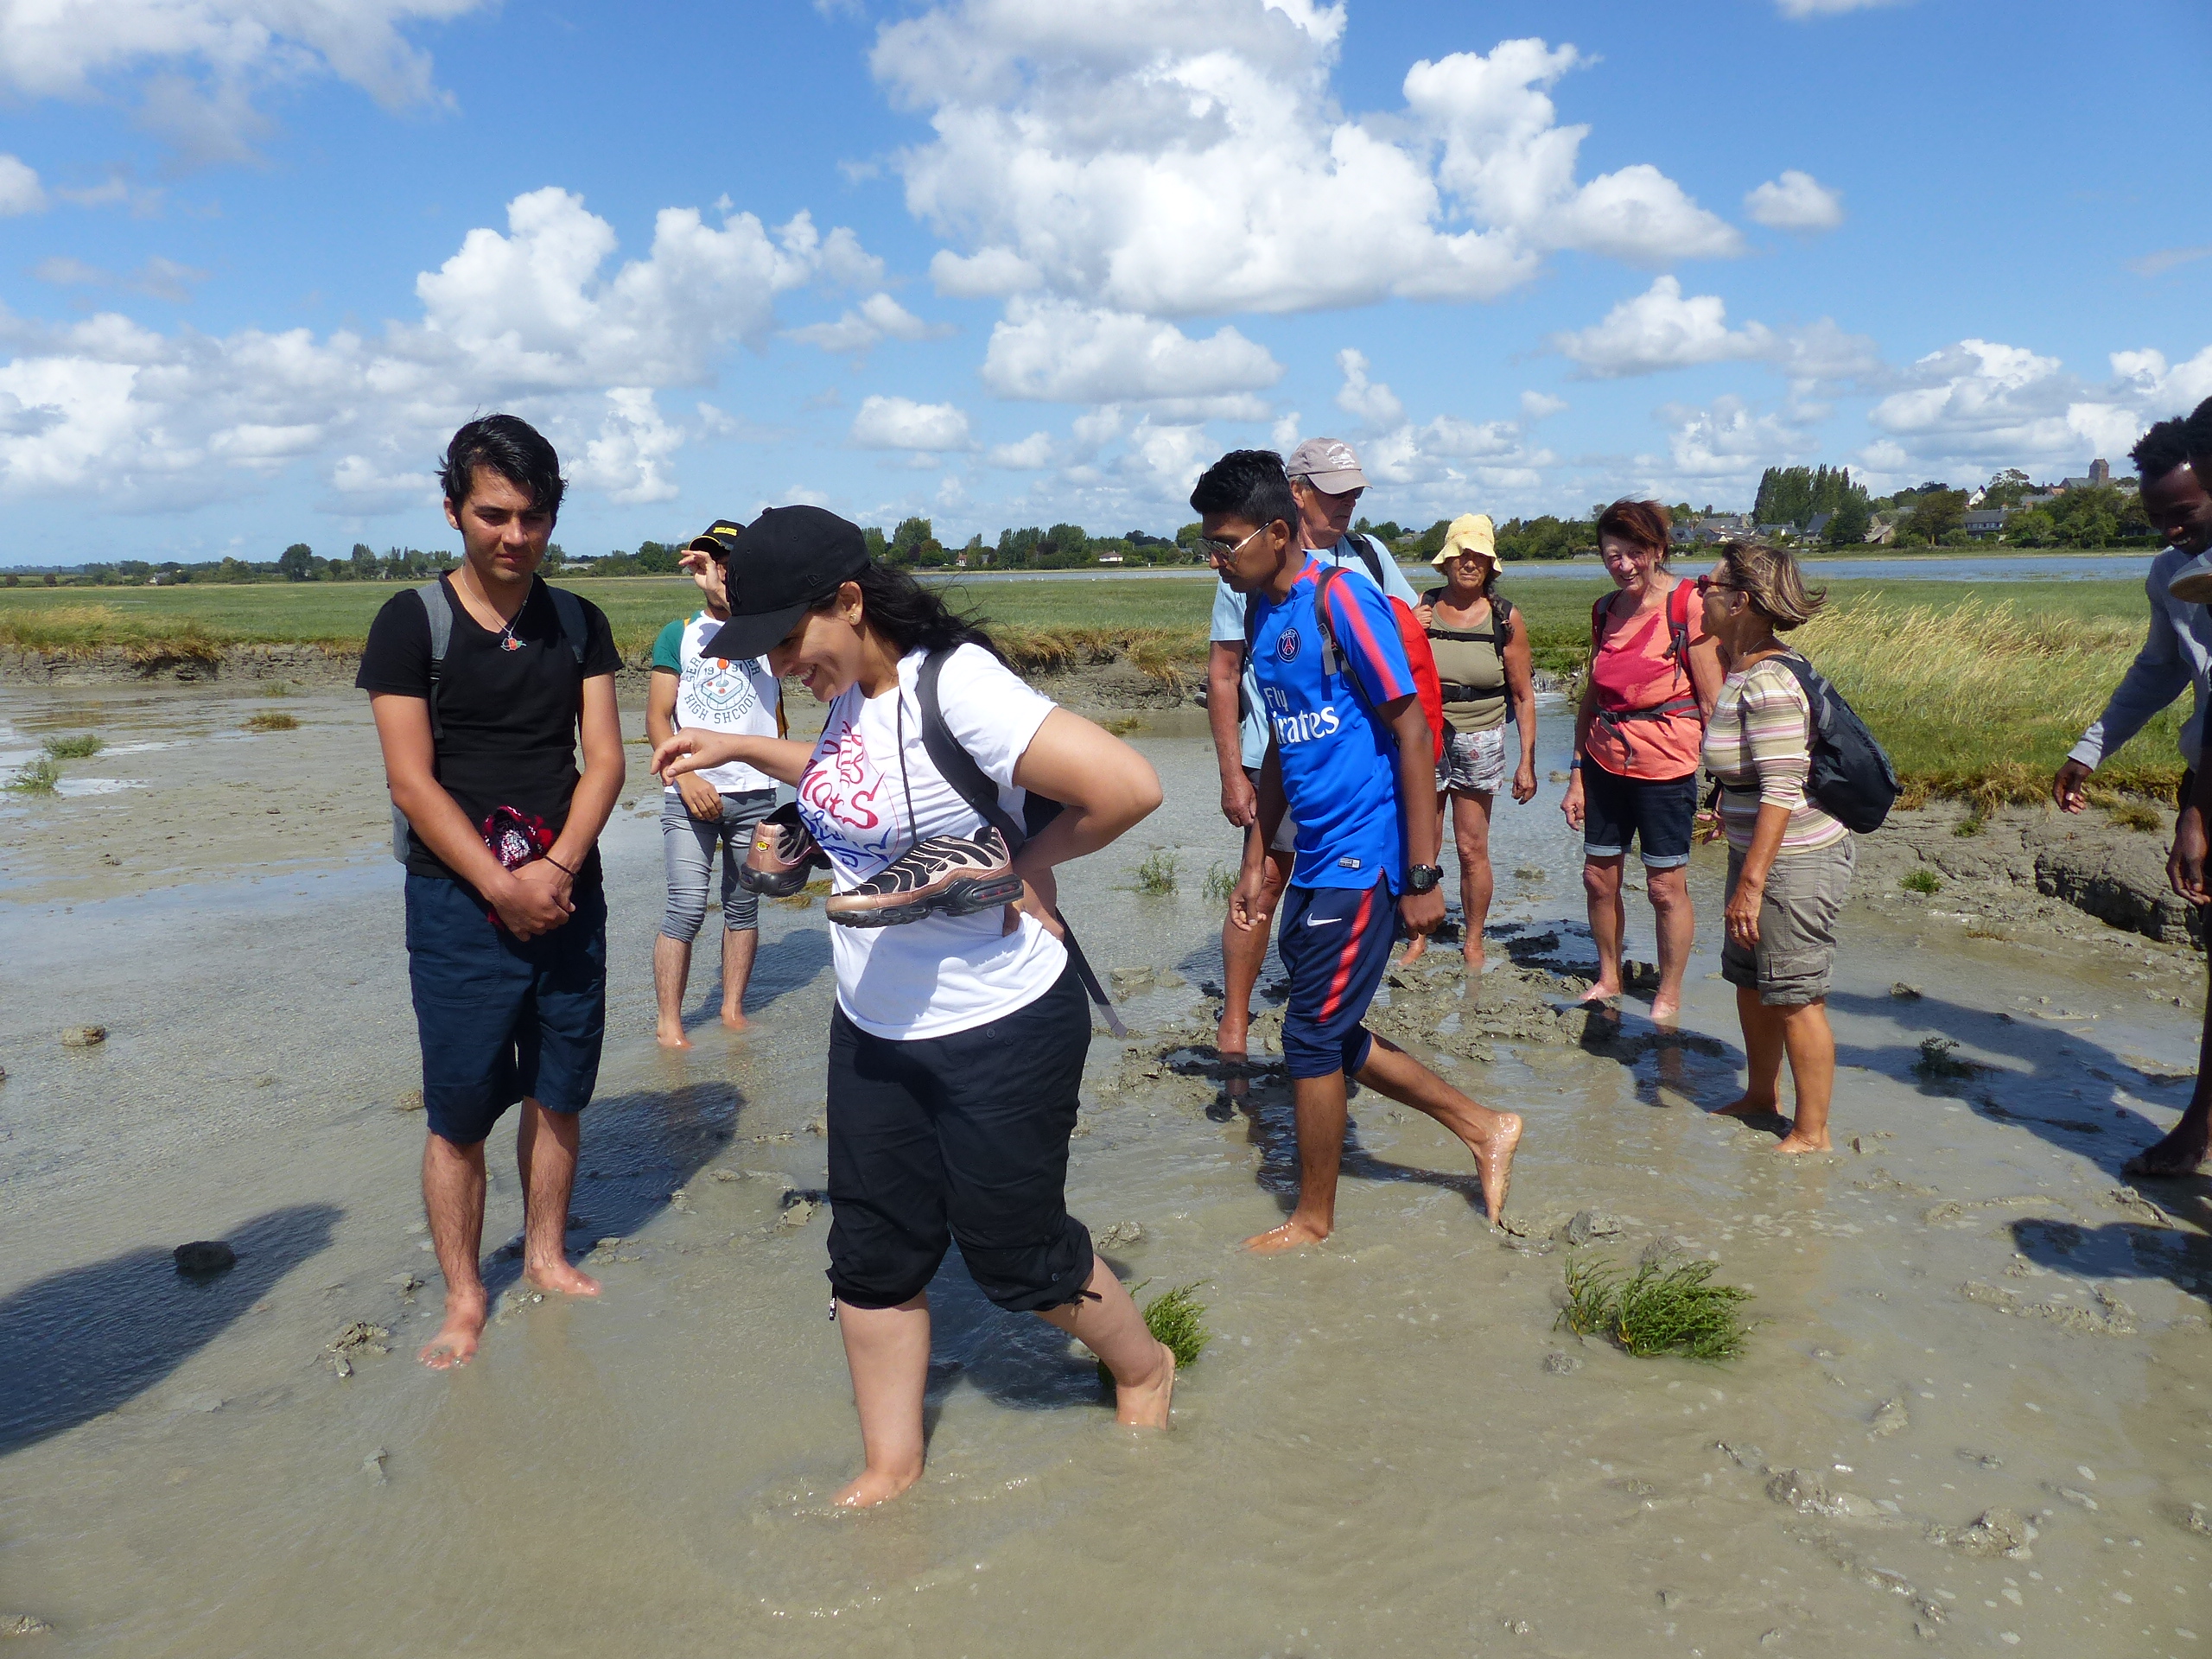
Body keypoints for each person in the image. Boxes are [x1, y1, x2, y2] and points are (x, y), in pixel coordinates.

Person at [650, 505, 1174, 1508]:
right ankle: (891, 1467)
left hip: (1001, 1022)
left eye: (788, 642)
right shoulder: (853, 690)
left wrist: (1024, 866)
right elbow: (855, 775)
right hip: (874, 1027)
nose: (782, 666)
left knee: (1016, 1256)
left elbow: (1128, 785)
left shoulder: (956, 683)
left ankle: (1145, 1369)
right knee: (872, 1254)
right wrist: (745, 749)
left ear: (849, 602)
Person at [1194, 449, 1522, 1251]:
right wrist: (1256, 861)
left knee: (1308, 1038)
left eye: (1227, 543)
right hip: (1312, 854)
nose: (1216, 559)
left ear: (1278, 532)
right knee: (1330, 1032)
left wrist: (1422, 873)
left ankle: (1315, 1220)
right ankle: (1483, 1126)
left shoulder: (1345, 600)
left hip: (1366, 853)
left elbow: (1413, 732)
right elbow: (1283, 748)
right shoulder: (1263, 616)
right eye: (1208, 544)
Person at [358, 415, 625, 1369]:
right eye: (494, 515)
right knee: (460, 1111)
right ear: (453, 511)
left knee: (560, 1092)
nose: (515, 536)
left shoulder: (580, 622)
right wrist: (499, 884)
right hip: (457, 906)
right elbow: (410, 782)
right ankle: (466, 1293)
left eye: (534, 517)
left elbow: (604, 761)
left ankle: (545, 1254)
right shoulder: (410, 622)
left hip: (567, 894)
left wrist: (556, 870)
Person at [1206, 436, 1424, 1065]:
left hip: (1360, 805)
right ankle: (1237, 1024)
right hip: (1287, 770)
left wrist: (1421, 871)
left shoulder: (1361, 568)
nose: (1346, 504)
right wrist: (1233, 778)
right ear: (1297, 496)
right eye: (1333, 493)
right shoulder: (1249, 581)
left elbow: (1410, 707)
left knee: (1313, 1031)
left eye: (1353, 492)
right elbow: (1231, 679)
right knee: (1271, 892)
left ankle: (1317, 1052)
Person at [1696, 543, 1849, 1154]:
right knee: (1751, 980)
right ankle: (1762, 1096)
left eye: (1707, 584)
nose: (1697, 593)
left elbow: (1784, 788)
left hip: (1795, 862)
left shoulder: (1769, 681)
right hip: (1758, 853)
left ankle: (1813, 1133)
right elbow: (1754, 771)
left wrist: (1751, 885)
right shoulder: (1744, 667)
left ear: (1739, 601)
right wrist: (1724, 809)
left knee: (1795, 994)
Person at [1560, 499, 1722, 1020]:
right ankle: (1609, 977)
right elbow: (1593, 697)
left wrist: (1722, 788)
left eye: (1635, 552)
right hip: (1604, 761)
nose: (1624, 564)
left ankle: (1668, 994)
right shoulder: (1604, 610)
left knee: (1664, 887)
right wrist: (1577, 773)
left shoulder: (1688, 604)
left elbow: (1712, 702)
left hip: (1668, 766)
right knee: (1597, 877)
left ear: (1657, 549)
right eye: (1613, 554)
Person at [645, 518, 785, 1046]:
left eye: (729, 562)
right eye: (711, 562)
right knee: (684, 907)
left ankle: (732, 1012)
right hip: (688, 792)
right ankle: (670, 1026)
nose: (719, 571)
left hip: (757, 793)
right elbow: (658, 718)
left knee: (743, 905)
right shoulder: (678, 634)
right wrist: (688, 779)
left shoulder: (768, 630)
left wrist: (735, 592)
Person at [2129, 406, 2212, 1177]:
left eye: (2184, 512)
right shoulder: (2176, 575)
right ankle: (2201, 1124)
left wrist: (2194, 812)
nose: (2171, 531)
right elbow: (2165, 671)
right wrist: (2093, 745)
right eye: (2158, 518)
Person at [1405, 512, 1538, 970]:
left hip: (1482, 736)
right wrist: (1410, 629)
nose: (1469, 563)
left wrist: (1526, 762)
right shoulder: (1422, 607)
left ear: (1490, 564)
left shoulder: (1505, 617)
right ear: (1446, 561)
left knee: (1471, 846)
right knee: (1423, 843)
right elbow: (1395, 672)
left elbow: (1523, 696)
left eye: (1479, 555)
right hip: (1426, 738)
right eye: (1461, 554)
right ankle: (1418, 936)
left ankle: (1473, 940)